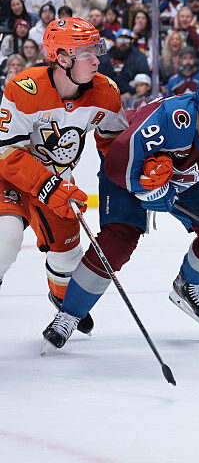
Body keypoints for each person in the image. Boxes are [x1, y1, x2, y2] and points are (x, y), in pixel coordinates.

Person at [43, 73, 199, 348]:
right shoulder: (168, 119)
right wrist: (144, 188)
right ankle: (69, 314)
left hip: (181, 179)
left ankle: (188, 286)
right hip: (129, 174)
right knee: (118, 243)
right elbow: (117, 160)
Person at [0, 17, 126, 338]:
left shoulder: (106, 92)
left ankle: (60, 297)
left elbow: (115, 143)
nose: (97, 59)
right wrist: (46, 184)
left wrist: (133, 176)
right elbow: (6, 155)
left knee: (69, 253)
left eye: (96, 50)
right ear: (62, 58)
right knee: (7, 239)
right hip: (11, 178)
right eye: (87, 52)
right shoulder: (24, 88)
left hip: (58, 181)